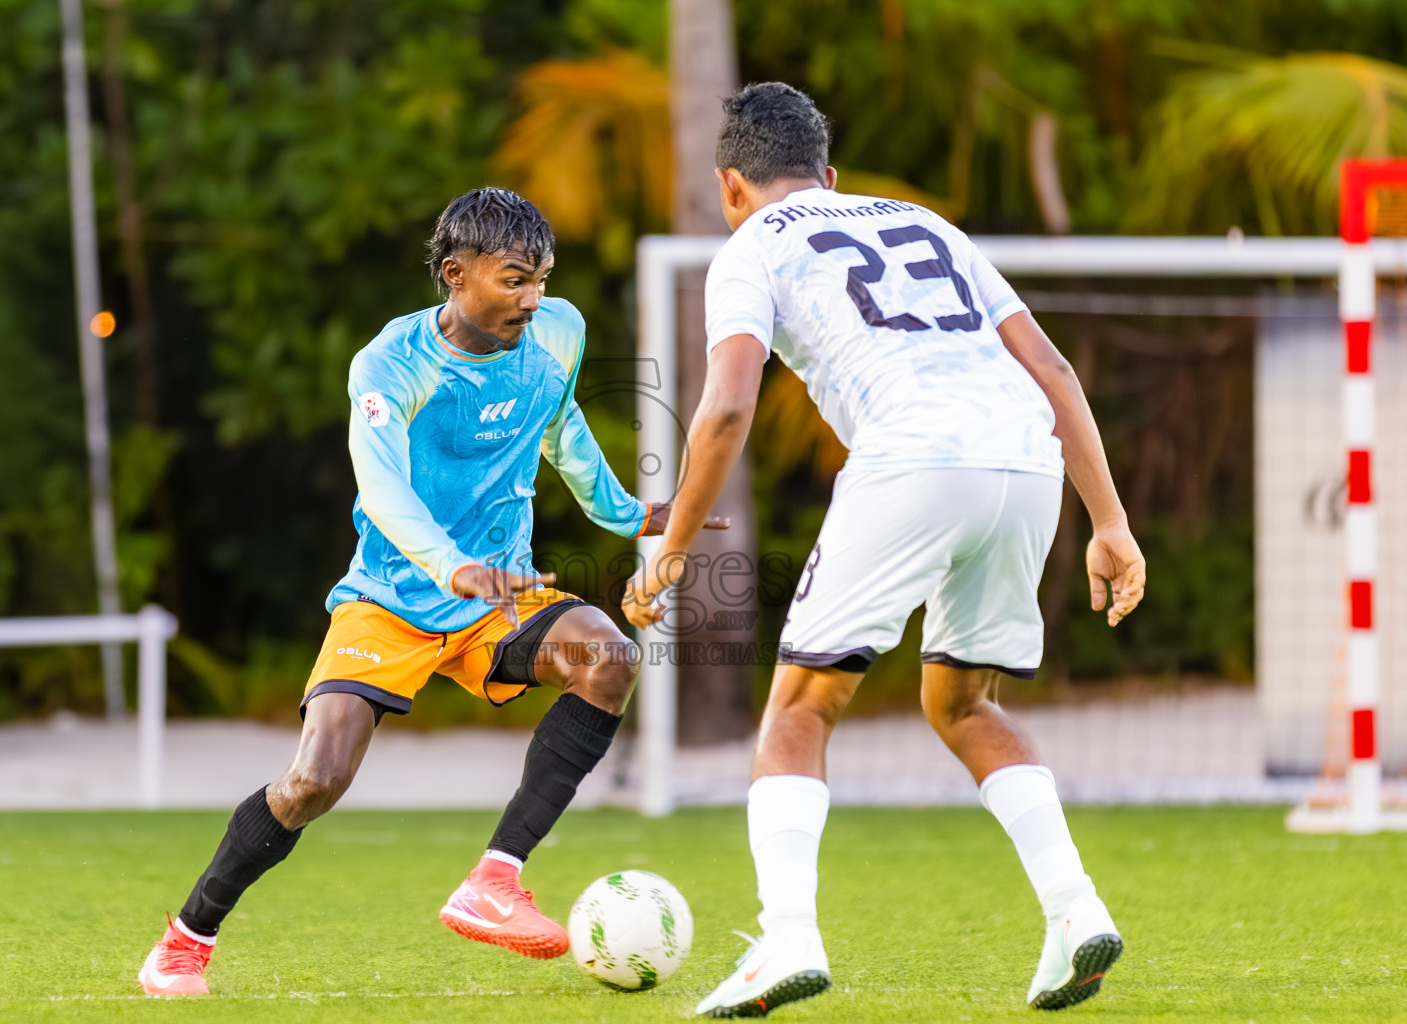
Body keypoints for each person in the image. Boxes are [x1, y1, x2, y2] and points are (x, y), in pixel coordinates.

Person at [624, 83, 1146, 1018]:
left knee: (800, 706)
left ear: (730, 187)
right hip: (1027, 460)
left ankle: (786, 937)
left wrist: (667, 550)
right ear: (828, 174)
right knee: (963, 702)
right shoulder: (927, 224)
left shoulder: (750, 246)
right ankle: (1076, 910)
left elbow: (728, 406)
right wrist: (1109, 522)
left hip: (913, 457)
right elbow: (1054, 370)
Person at [139, 187, 726, 996]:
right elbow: (380, 486)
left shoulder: (559, 331)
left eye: (542, 279)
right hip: (391, 598)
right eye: (515, 279)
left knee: (609, 657)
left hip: (499, 599)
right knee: (314, 781)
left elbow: (560, 429)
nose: (534, 298)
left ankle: (495, 880)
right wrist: (452, 565)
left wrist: (631, 515)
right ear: (456, 274)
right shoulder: (391, 364)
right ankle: (186, 935)